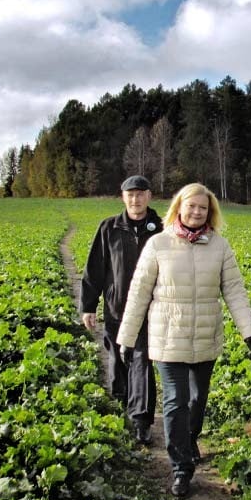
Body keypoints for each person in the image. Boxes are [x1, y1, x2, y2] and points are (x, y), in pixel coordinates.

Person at [116, 182, 251, 497]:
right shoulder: (158, 245)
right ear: (179, 207)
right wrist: (126, 338)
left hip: (206, 338)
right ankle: (181, 468)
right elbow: (138, 294)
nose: (196, 212)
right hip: (168, 339)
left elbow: (234, 290)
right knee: (175, 402)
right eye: (191, 206)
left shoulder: (220, 246)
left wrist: (249, 331)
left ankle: (189, 438)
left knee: (197, 401)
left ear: (210, 213)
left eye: (203, 208)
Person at [80, 175, 163, 445]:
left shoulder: (161, 229)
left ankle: (141, 419)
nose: (135, 199)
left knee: (142, 361)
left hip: (149, 311)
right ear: (123, 197)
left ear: (149, 196)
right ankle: (121, 404)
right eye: (130, 194)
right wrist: (88, 306)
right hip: (116, 309)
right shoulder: (109, 228)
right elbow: (94, 269)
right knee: (117, 359)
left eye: (140, 194)